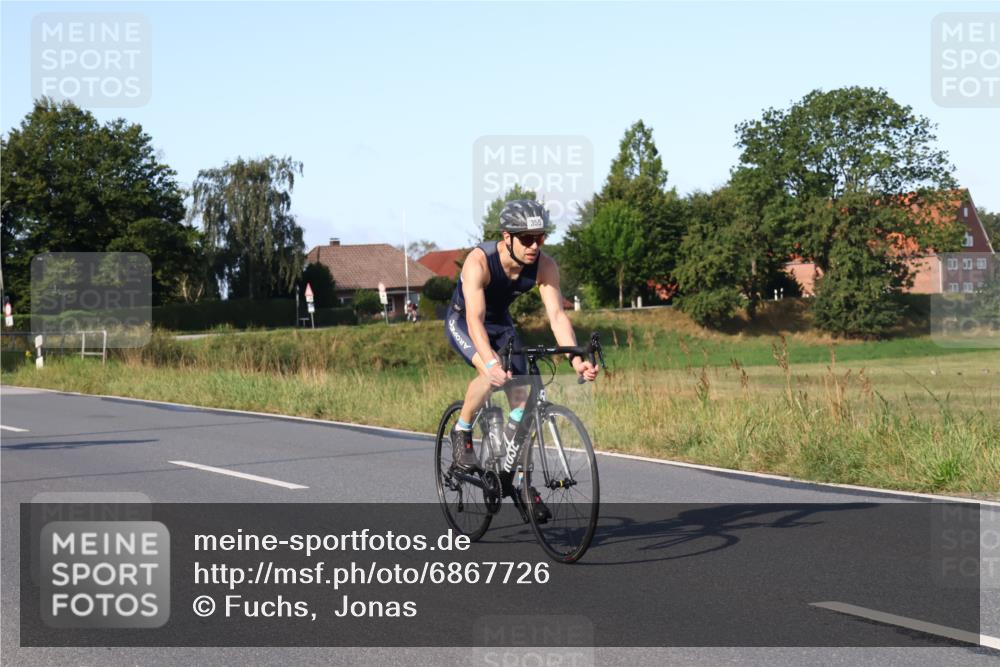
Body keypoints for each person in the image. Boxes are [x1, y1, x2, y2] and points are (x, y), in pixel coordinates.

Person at [444, 200, 599, 514]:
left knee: (523, 401)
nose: (533, 246)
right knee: (490, 374)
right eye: (526, 239)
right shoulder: (480, 261)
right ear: (506, 237)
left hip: (501, 323)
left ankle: (518, 481)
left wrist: (574, 358)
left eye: (540, 238)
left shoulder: (545, 266)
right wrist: (489, 363)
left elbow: (556, 316)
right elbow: (475, 321)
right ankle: (461, 430)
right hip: (464, 320)